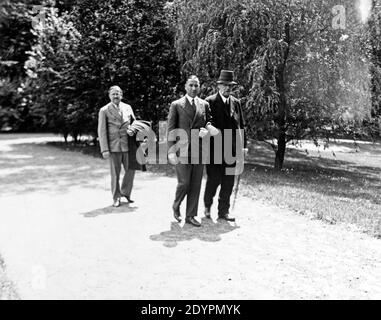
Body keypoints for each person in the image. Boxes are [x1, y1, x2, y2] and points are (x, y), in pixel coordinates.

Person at [167, 75, 218, 227]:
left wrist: (206, 130)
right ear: (185, 86)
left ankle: (190, 215)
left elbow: (209, 121)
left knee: (195, 184)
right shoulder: (176, 105)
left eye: (196, 85)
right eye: (191, 85)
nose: (194, 88)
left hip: (199, 149)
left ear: (199, 87)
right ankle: (176, 205)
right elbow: (170, 128)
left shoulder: (204, 104)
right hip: (181, 149)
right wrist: (170, 151)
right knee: (184, 183)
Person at [203, 70, 247, 222]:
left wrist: (243, 147)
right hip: (214, 149)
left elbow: (241, 125)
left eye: (231, 86)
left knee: (228, 182)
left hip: (231, 149)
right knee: (213, 180)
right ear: (219, 86)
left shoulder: (236, 103)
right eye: (225, 85)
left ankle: (223, 212)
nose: (228, 88)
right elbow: (205, 123)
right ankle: (207, 206)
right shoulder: (209, 101)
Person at [98, 85, 144, 207]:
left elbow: (135, 123)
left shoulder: (128, 107)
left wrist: (133, 130)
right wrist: (105, 149)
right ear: (109, 96)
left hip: (127, 145)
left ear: (121, 95)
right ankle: (116, 197)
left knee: (131, 169)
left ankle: (126, 192)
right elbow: (101, 131)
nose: (116, 96)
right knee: (115, 173)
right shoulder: (104, 110)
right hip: (113, 146)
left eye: (118, 93)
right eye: (113, 94)